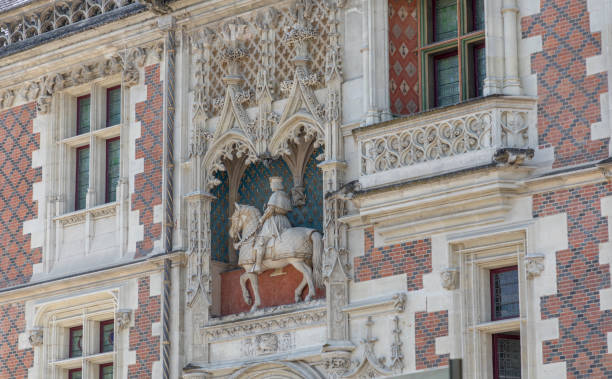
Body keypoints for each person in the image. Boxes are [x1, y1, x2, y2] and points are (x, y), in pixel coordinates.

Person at [252, 177, 292, 272]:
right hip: (284, 221)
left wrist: (262, 219)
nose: (270, 187)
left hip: (274, 221)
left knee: (261, 240)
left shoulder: (275, 195)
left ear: (276, 185)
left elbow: (270, 210)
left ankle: (258, 265)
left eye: (271, 185)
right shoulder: (284, 195)